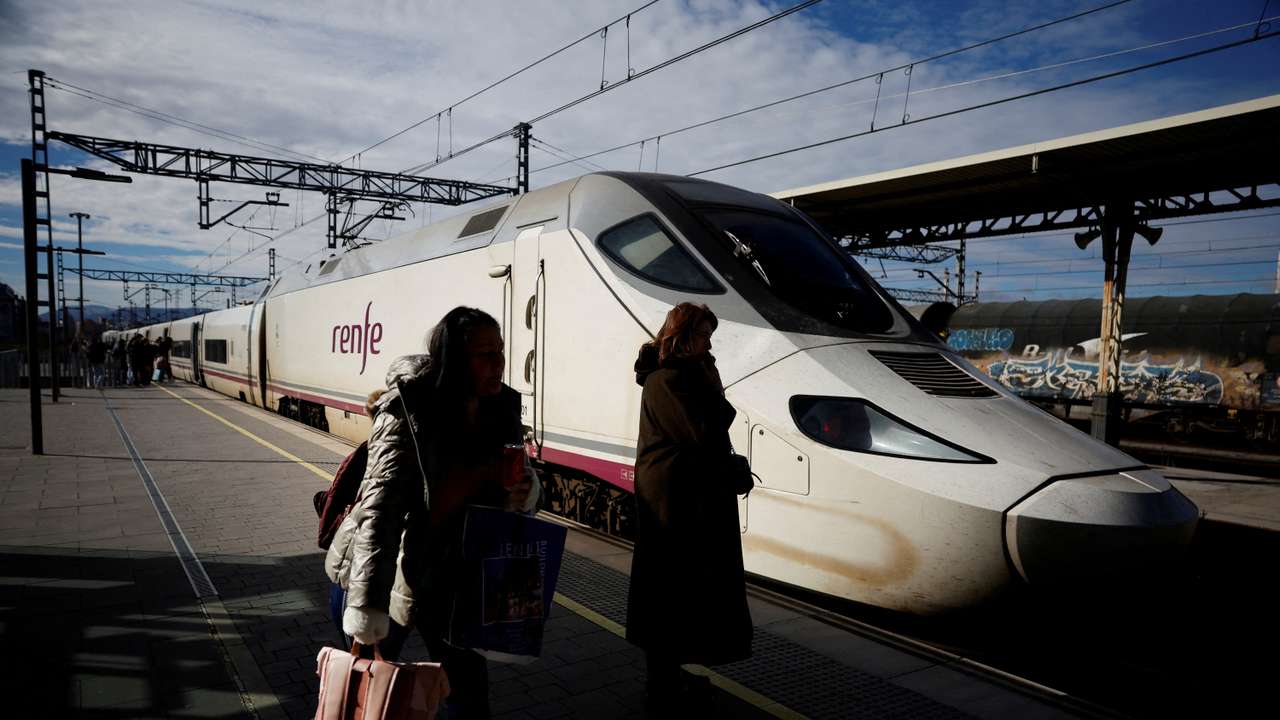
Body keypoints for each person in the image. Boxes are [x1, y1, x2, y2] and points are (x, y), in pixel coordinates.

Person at [325, 306, 539, 719]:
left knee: (469, 694)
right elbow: (381, 512)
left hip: (453, 576)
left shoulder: (500, 407)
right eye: (484, 355)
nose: (499, 364)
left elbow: (515, 477)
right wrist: (367, 608)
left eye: (500, 352)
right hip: (389, 571)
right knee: (371, 693)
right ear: (456, 360)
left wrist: (526, 490)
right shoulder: (409, 410)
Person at [626, 302, 752, 712]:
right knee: (668, 593)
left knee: (682, 594)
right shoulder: (665, 381)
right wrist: (715, 387)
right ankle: (660, 685)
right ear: (681, 336)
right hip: (672, 507)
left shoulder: (680, 378)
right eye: (702, 336)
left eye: (709, 337)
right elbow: (702, 433)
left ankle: (670, 674)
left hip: (688, 500)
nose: (707, 344)